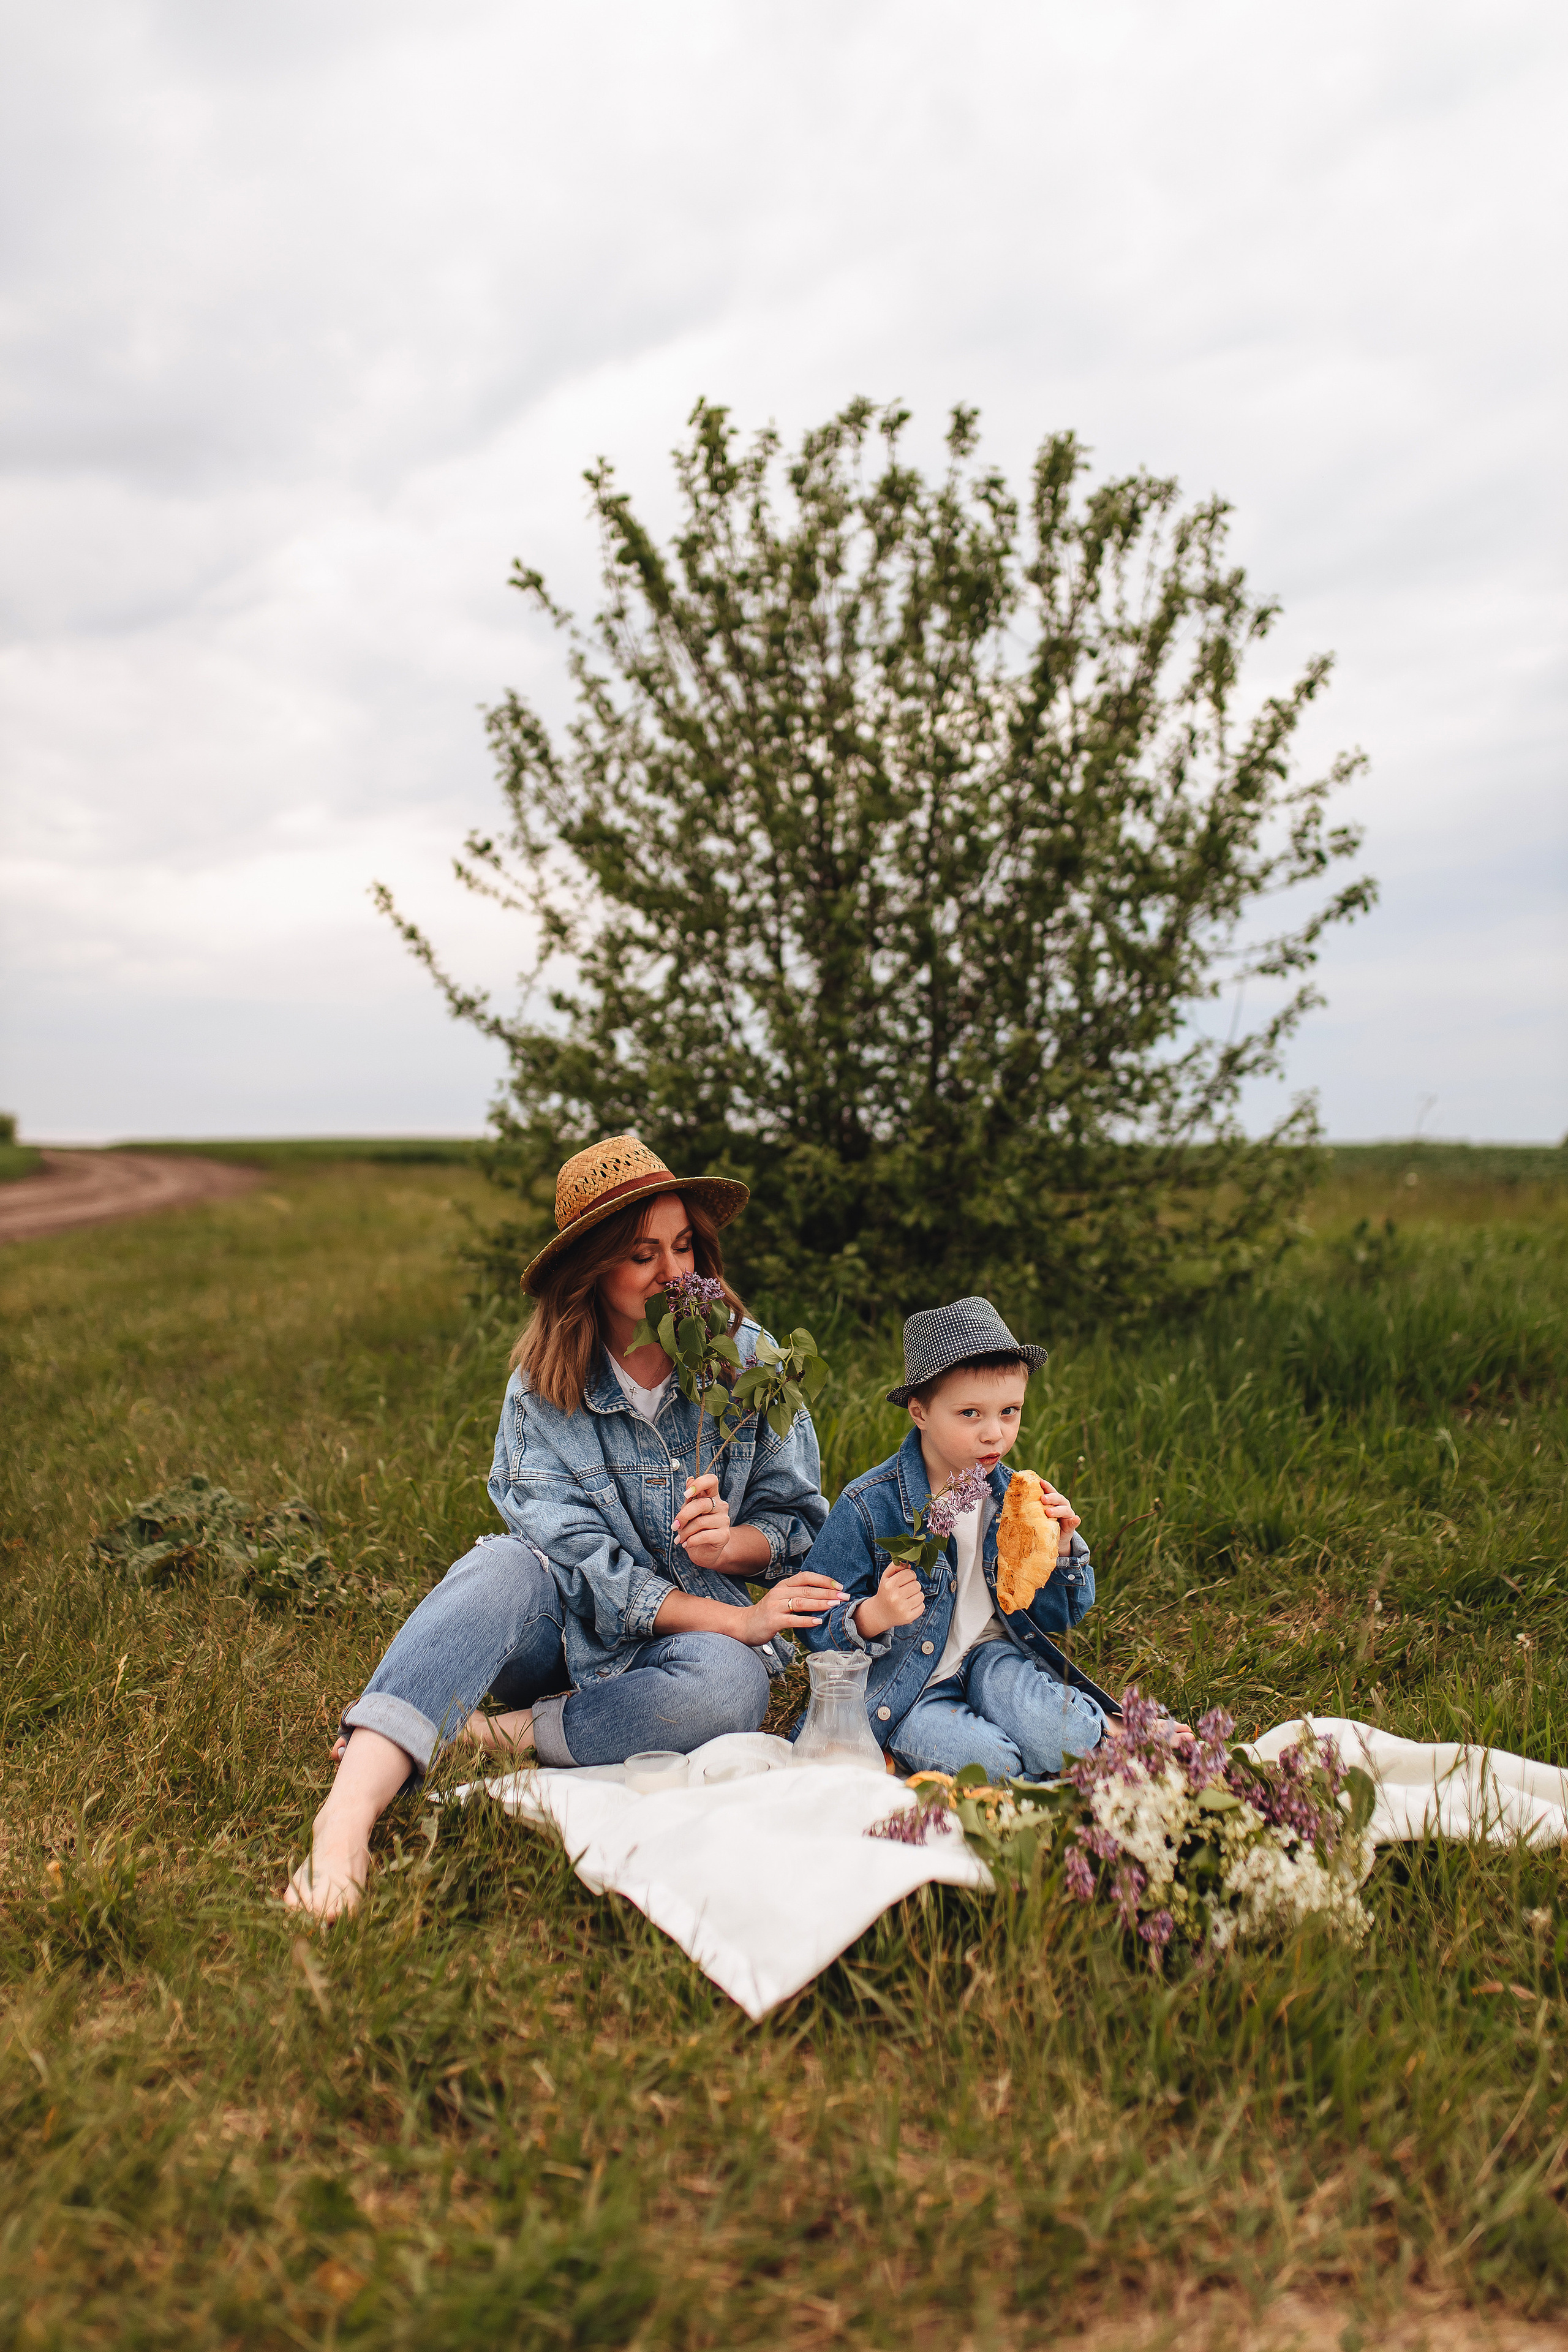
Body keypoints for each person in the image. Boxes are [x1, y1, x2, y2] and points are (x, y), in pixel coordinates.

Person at [286, 1134, 839, 1920]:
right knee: (501, 1566)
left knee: (731, 1686)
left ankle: (498, 1736)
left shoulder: (748, 1361)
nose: (675, 1274)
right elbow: (589, 1572)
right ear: (592, 1271)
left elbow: (797, 1522)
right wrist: (739, 1616)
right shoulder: (542, 1394)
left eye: (684, 1246)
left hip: (688, 1650)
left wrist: (732, 1546)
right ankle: (346, 1817)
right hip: (567, 1629)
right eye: (642, 1254)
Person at [802, 1296, 1122, 1781]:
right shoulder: (870, 1504)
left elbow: (1058, 1617)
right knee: (992, 1768)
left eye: (1009, 1411)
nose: (994, 1434)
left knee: (1067, 1742)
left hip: (995, 1658)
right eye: (971, 1413)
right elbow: (812, 1619)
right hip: (910, 1685)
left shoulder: (1016, 1500)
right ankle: (907, 1751)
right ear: (920, 1411)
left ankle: (1105, 1730)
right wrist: (873, 1616)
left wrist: (1058, 1551)